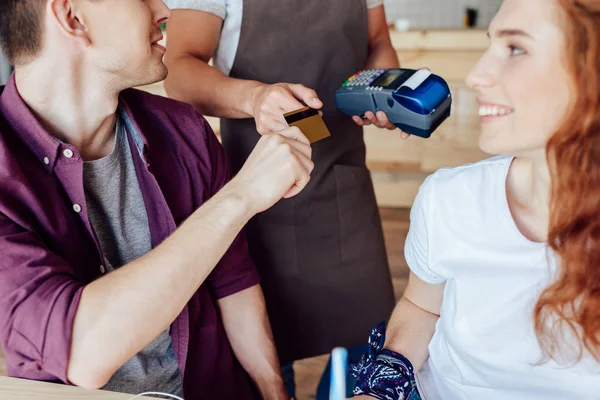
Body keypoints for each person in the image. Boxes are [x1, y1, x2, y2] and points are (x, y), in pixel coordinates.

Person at [0, 1, 314, 399]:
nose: (164, 9)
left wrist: (274, 392)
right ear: (73, 17)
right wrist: (241, 196)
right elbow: (83, 353)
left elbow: (233, 281)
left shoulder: (184, 130)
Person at [350, 0, 600, 399]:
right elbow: (422, 307)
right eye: (491, 45)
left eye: (515, 49)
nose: (476, 76)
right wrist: (379, 390)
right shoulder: (449, 199)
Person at [163, 1, 402, 397]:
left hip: (343, 178)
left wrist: (383, 88)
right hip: (258, 182)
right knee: (266, 345)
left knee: (368, 341)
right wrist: (256, 99)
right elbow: (179, 70)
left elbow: (378, 41)